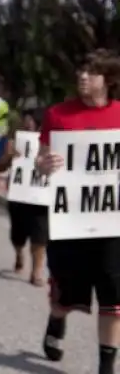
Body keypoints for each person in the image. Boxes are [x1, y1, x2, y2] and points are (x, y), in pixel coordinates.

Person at [35, 49, 120, 374]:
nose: (83, 77)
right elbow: (41, 165)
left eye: (92, 72)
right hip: (70, 222)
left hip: (112, 224)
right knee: (64, 294)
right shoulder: (58, 115)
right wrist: (44, 165)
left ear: (108, 80)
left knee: (114, 299)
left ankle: (106, 365)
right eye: (81, 70)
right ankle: (56, 321)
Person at [0, 108, 47, 286]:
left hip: (41, 197)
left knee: (40, 236)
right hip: (18, 196)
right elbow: (0, 168)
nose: (27, 125)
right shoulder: (14, 142)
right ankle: (19, 253)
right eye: (25, 121)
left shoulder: (50, 142)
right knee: (17, 235)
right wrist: (9, 156)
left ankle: (37, 272)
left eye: (30, 121)